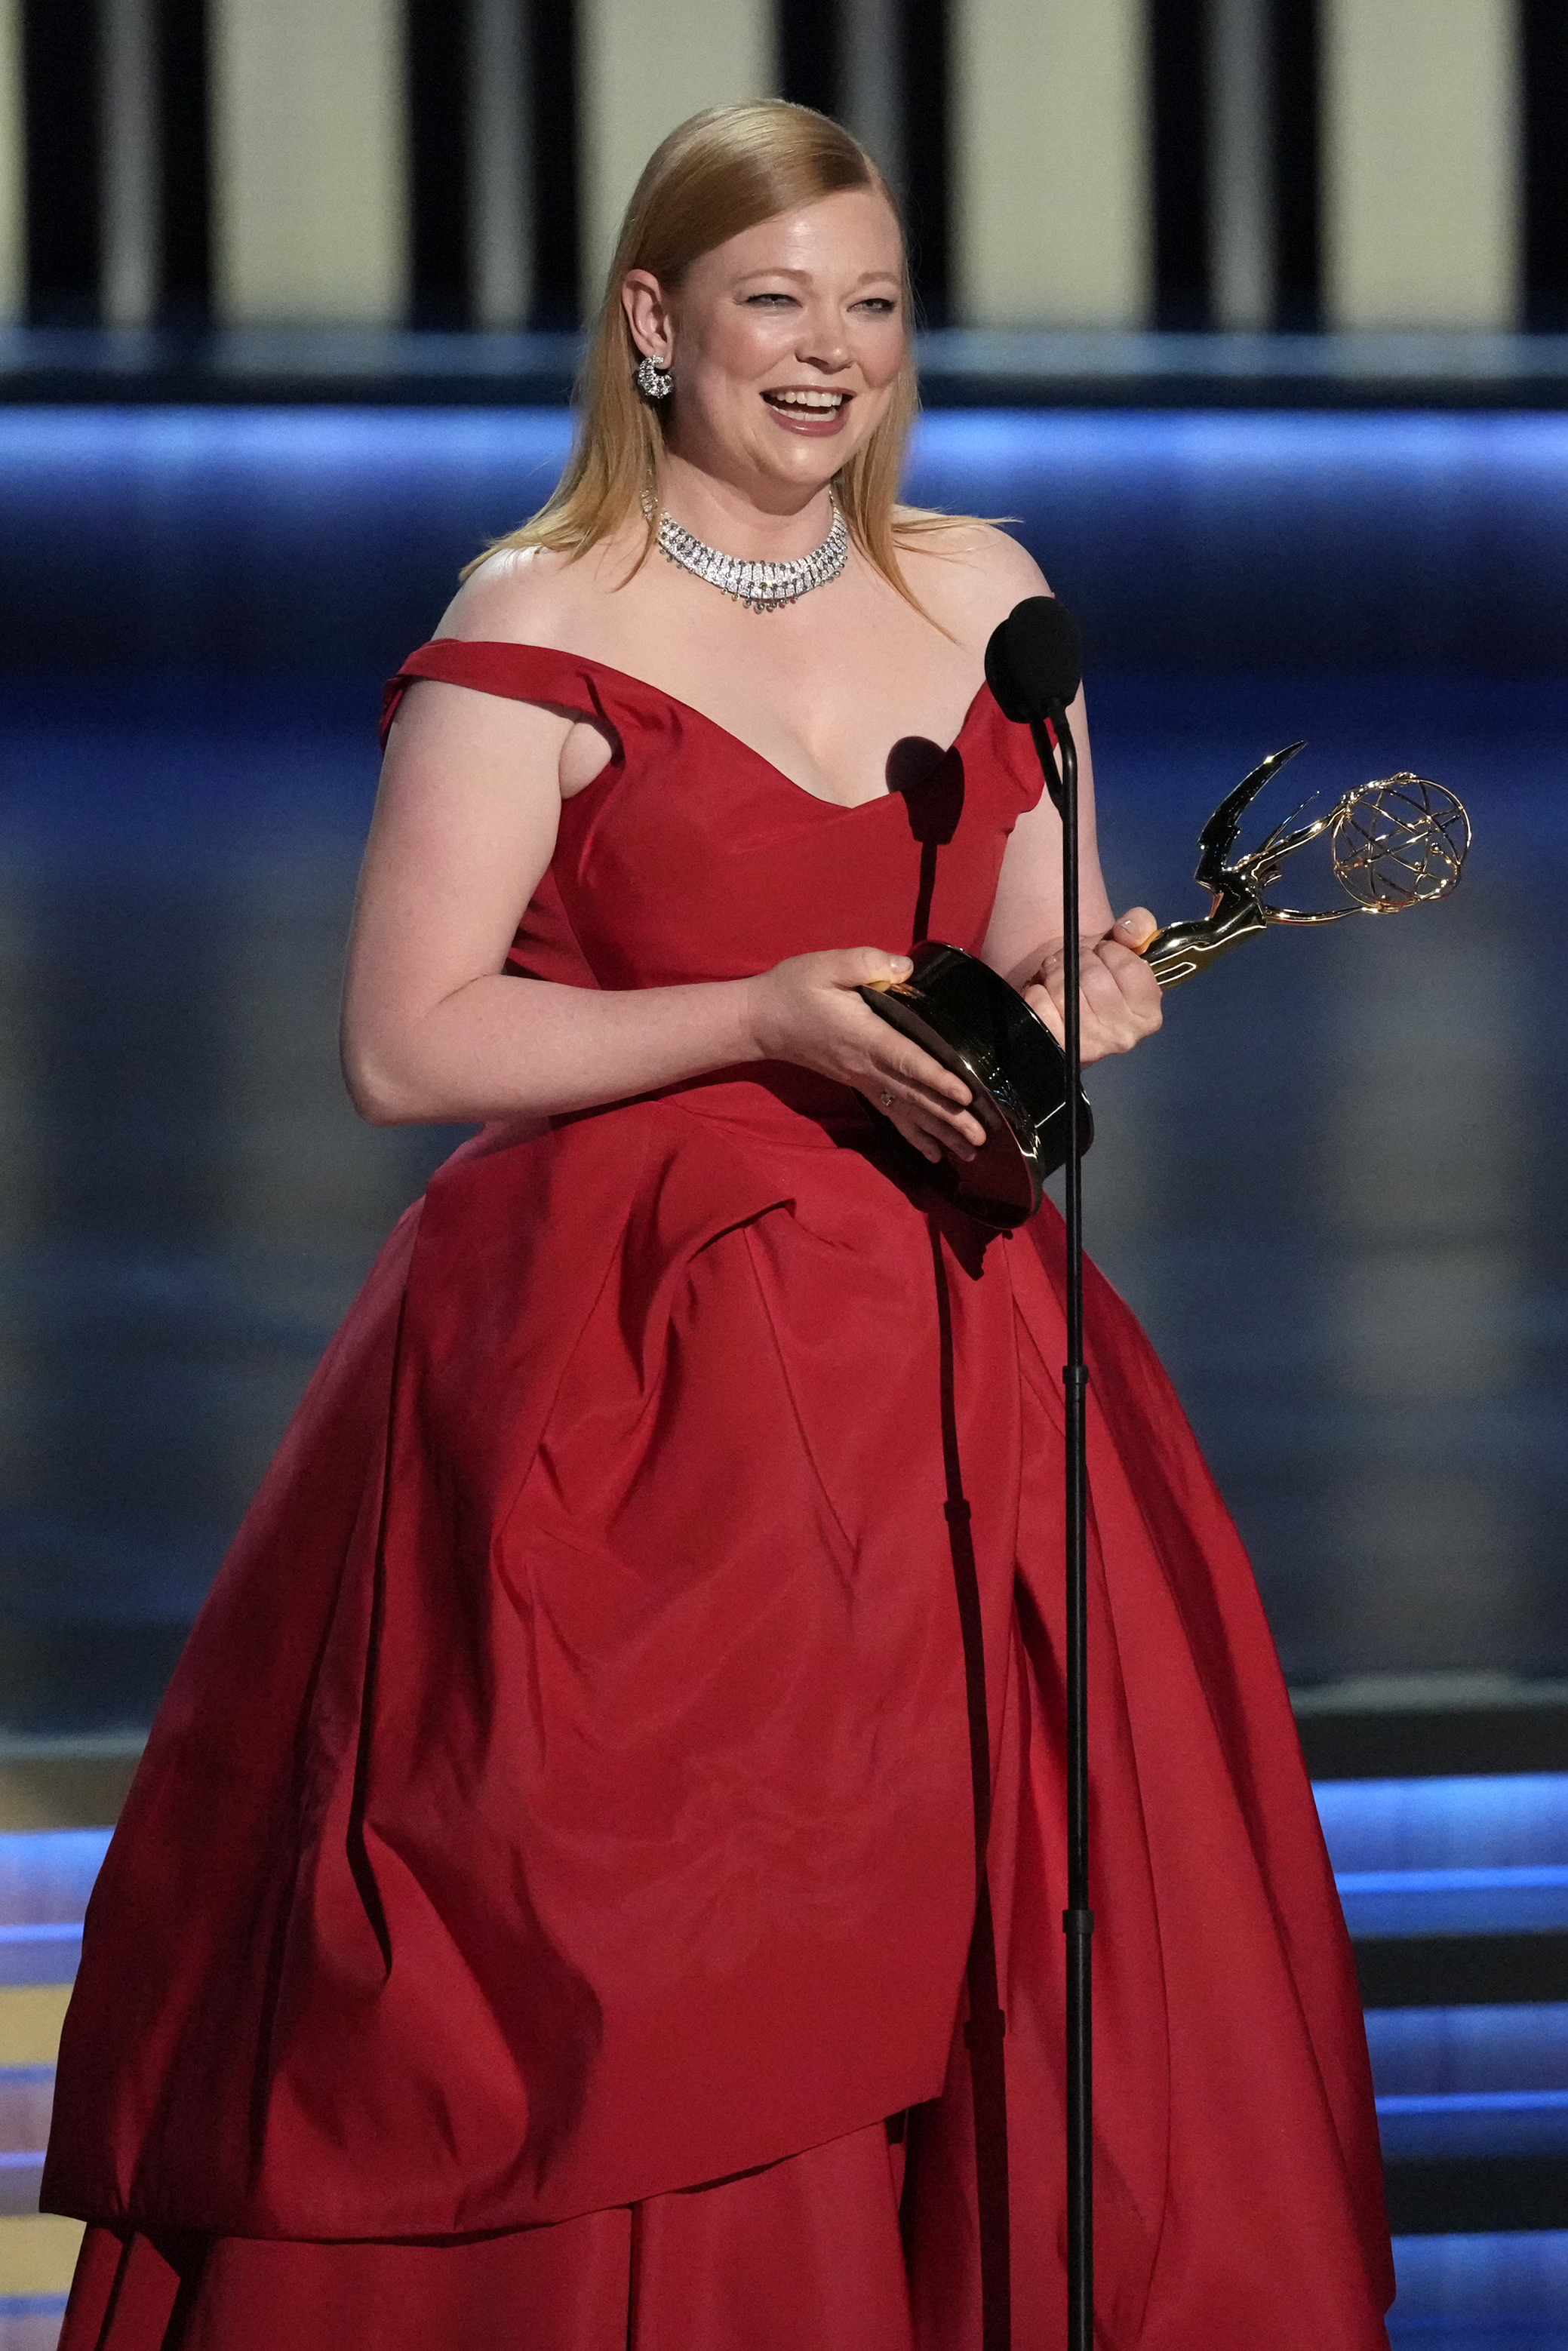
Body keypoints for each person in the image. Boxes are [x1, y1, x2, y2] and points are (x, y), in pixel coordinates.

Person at [45, 102, 1393, 2351]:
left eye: (872, 306)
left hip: (960, 1351)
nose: (833, 353)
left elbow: (1043, 947)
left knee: (1016, 1934)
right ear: (657, 324)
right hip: (629, 1389)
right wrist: (759, 1012)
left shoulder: (985, 590)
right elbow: (412, 1044)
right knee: (667, 1936)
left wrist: (1095, 986)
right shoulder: (535, 621)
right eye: (780, 301)